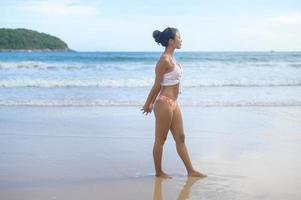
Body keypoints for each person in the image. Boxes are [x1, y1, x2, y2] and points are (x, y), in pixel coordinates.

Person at [141, 27, 207, 179]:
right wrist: (148, 104)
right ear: (171, 41)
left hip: (173, 103)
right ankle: (159, 172)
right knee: (161, 140)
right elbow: (157, 85)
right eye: (179, 37)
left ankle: (191, 170)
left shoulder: (172, 59)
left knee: (181, 137)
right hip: (163, 103)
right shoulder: (164, 60)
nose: (181, 39)